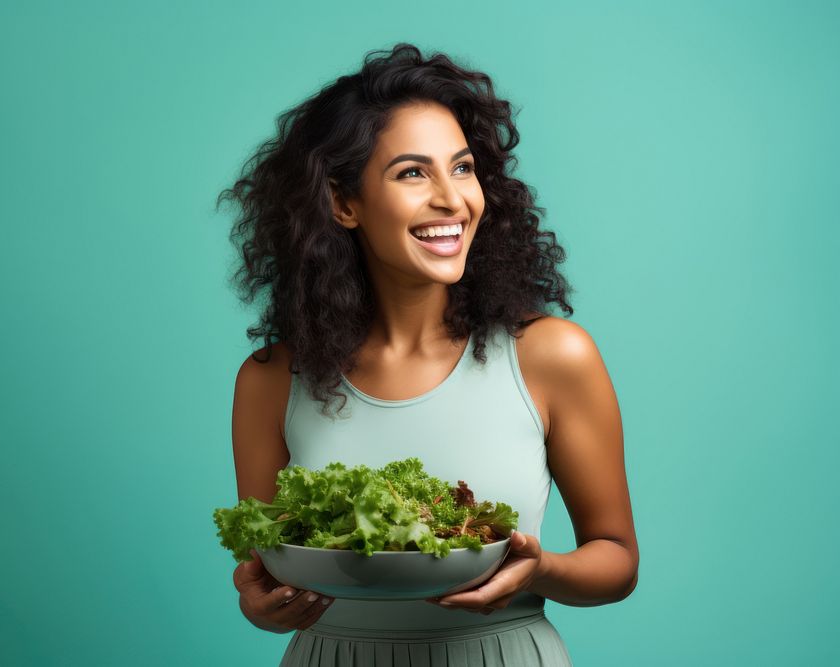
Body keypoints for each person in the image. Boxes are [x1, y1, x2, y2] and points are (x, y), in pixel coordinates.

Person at [216, 43, 638, 666]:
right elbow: (270, 567)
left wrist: (539, 569)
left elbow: (617, 559)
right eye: (413, 173)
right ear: (343, 203)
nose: (451, 199)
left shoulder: (551, 356)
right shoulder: (274, 379)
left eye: (462, 168)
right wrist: (259, 604)